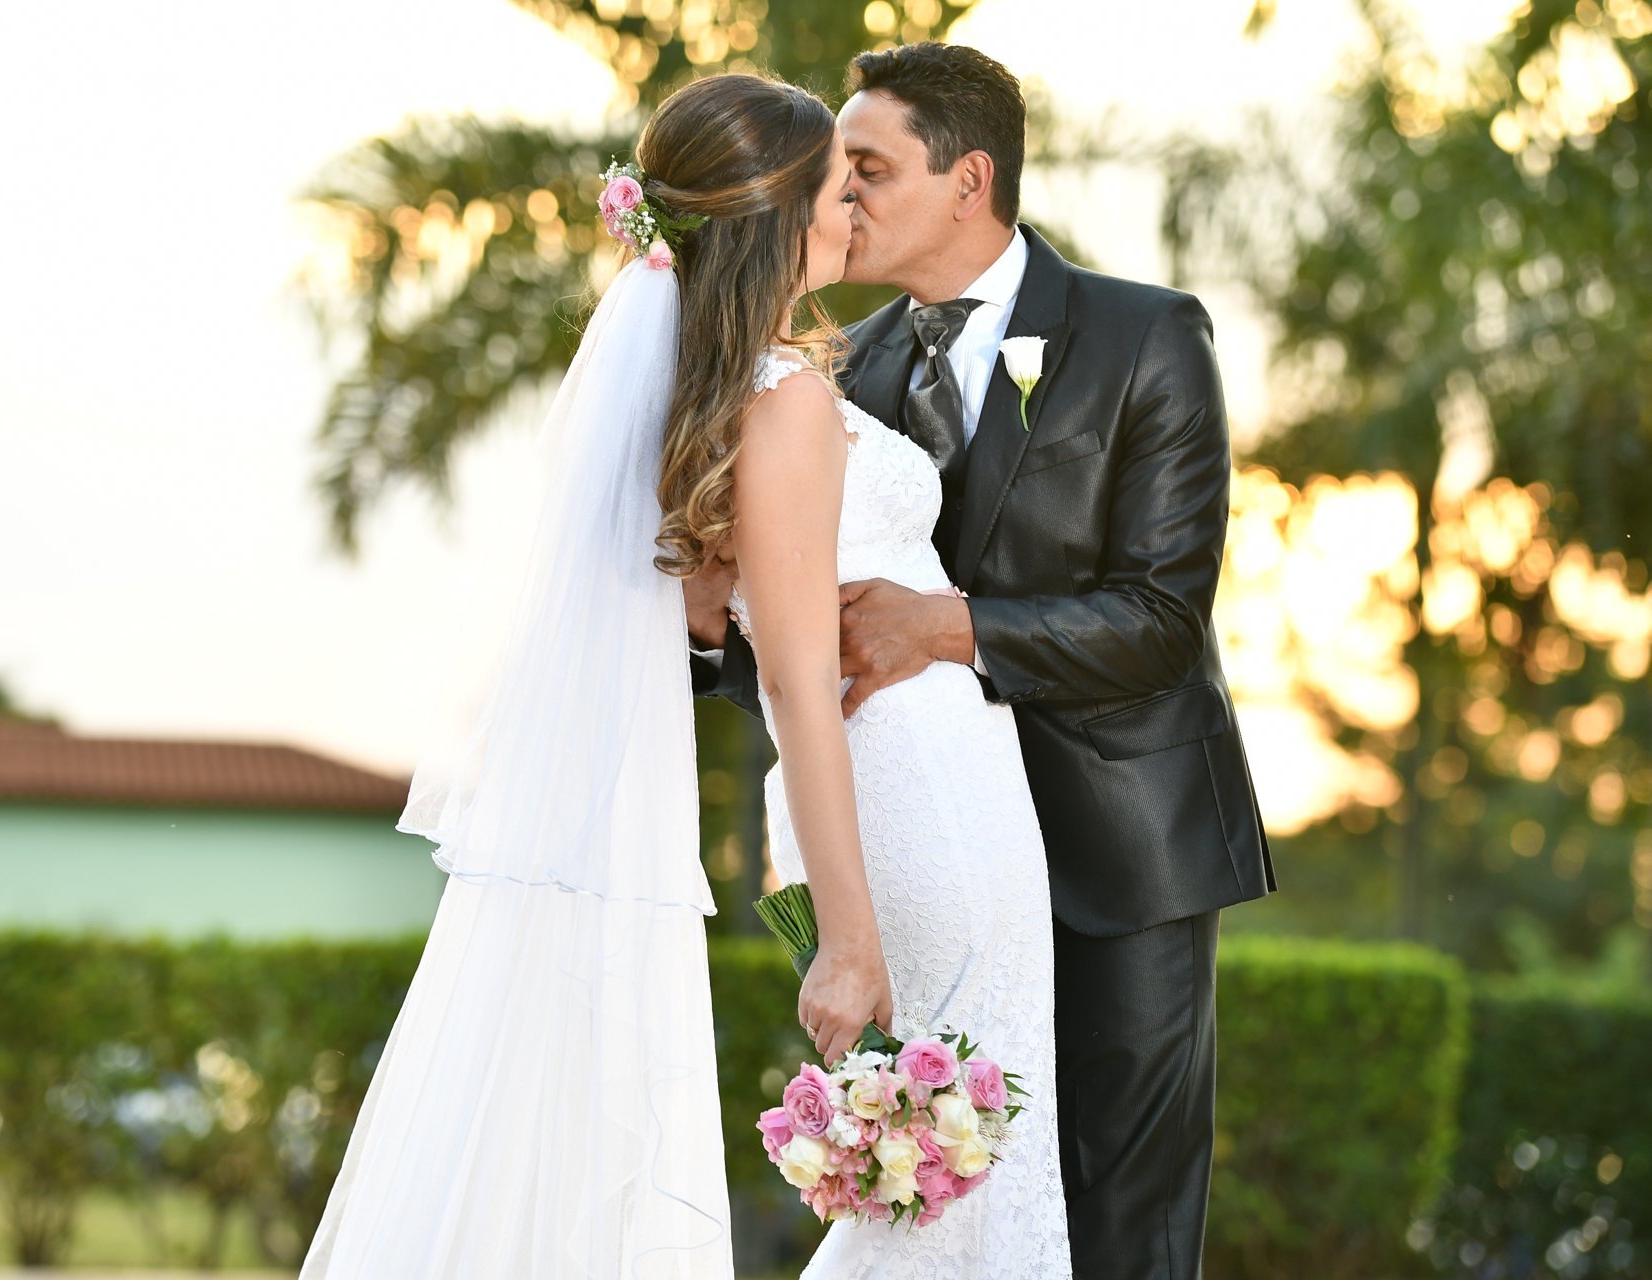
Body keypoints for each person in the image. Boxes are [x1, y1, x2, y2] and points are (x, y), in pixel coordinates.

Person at [301, 70, 1070, 1279]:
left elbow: (718, 620)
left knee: (952, 1164)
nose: (850, 215)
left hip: (928, 789)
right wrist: (847, 933)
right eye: (833, 189)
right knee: (960, 1170)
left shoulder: (721, 396)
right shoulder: (789, 401)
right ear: (775, 219)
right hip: (921, 793)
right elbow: (799, 685)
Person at [689, 43, 1276, 1280]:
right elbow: (808, 630)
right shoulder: (851, 371)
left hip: (1127, 848)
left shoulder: (1145, 336)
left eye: (868, 168)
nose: (840, 196)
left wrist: (947, 626)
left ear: (968, 180)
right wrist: (708, 640)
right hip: (934, 853)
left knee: (1120, 1220)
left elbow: (1162, 617)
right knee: (954, 1204)